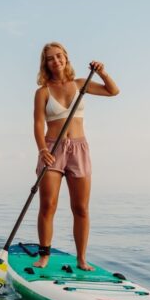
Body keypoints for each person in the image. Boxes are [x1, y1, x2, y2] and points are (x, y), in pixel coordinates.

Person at [33, 42, 119, 269]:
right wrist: (42, 150)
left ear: (66, 58)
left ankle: (81, 259)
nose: (56, 61)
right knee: (47, 205)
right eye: (51, 58)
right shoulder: (42, 92)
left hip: (79, 150)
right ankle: (44, 255)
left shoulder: (82, 84)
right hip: (52, 149)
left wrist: (102, 72)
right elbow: (38, 124)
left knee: (80, 208)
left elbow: (113, 91)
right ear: (46, 63)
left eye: (59, 56)